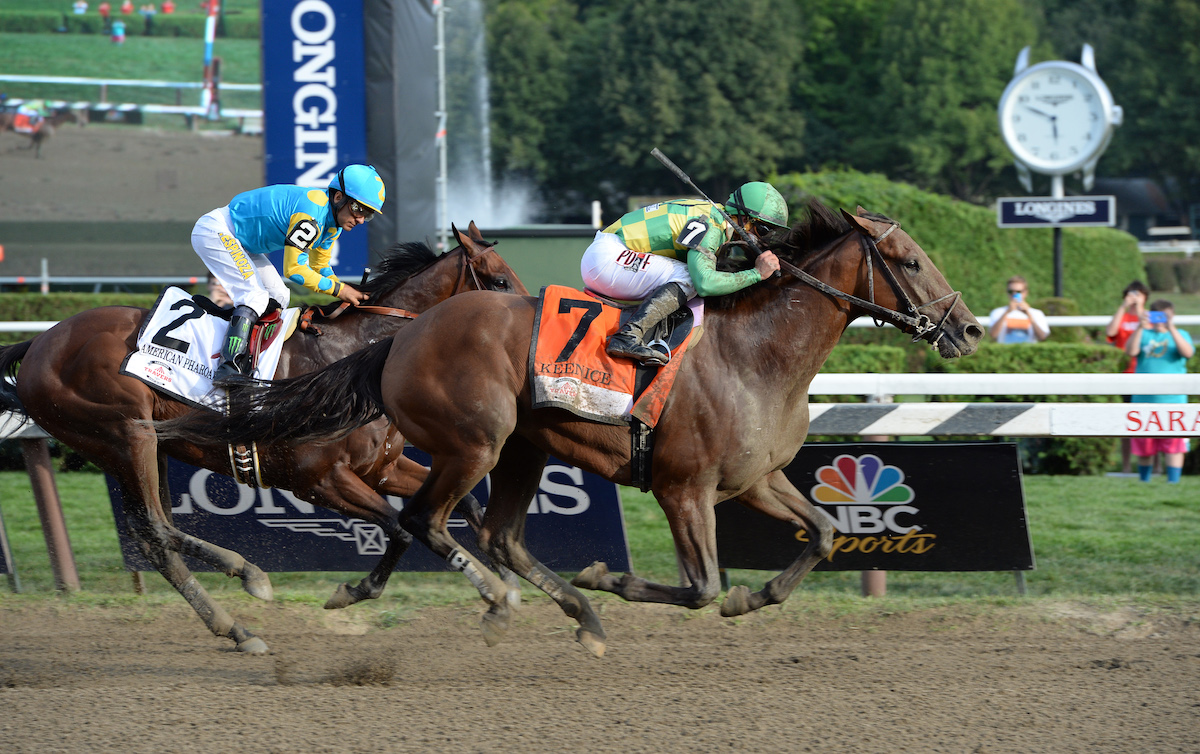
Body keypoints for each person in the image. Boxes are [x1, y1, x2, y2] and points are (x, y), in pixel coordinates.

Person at [191, 164, 383, 383]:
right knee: (255, 296)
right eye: (359, 209)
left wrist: (350, 292)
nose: (360, 220)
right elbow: (294, 269)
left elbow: (320, 267)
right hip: (217, 231)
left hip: (243, 244)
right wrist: (340, 290)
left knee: (280, 296)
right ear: (339, 196)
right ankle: (229, 367)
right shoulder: (311, 214)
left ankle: (252, 360)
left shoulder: (332, 225)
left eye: (367, 215)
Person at [580, 182, 785, 365]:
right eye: (764, 230)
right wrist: (756, 274)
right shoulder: (711, 225)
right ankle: (627, 335)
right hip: (608, 258)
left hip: (608, 254)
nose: (763, 240)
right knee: (691, 277)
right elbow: (704, 283)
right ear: (745, 218)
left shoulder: (711, 214)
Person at [1124, 299, 1196, 483]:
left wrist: (1171, 328)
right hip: (1143, 400)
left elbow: (1187, 353)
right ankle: (1144, 482)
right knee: (1145, 445)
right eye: (1156, 316)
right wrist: (1140, 327)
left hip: (1174, 401)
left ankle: (1173, 483)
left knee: (1175, 445)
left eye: (1164, 316)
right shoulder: (1144, 334)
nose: (1160, 320)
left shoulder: (1181, 334)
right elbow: (1130, 351)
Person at [988, 275, 1050, 343]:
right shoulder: (998, 312)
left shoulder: (1037, 313)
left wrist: (1029, 314)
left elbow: (1042, 337)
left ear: (1026, 292)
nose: (1014, 294)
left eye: (1018, 292)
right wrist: (1007, 312)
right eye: (1011, 291)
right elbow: (993, 335)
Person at [1107, 279, 1149, 372]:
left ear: (1145, 297)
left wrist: (1139, 308)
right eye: (1132, 294)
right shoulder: (1121, 316)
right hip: (1123, 365)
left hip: (1143, 365)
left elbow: (1148, 333)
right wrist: (1123, 306)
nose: (1134, 298)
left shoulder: (1149, 316)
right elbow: (1110, 332)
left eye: (1138, 295)